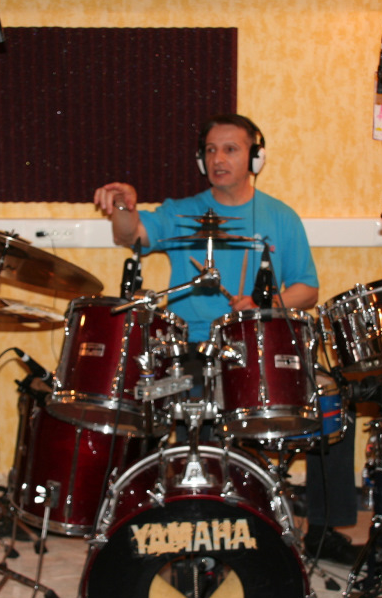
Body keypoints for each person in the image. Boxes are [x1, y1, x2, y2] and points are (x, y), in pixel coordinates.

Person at [93, 113, 358, 565]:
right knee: (185, 409)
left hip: (255, 346)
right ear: (201, 161)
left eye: (231, 149)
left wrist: (265, 302)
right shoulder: (180, 213)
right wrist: (124, 206)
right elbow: (130, 234)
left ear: (255, 157)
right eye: (211, 150)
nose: (219, 159)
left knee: (330, 403)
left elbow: (308, 289)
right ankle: (192, 521)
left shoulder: (281, 217)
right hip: (191, 350)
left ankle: (322, 530)